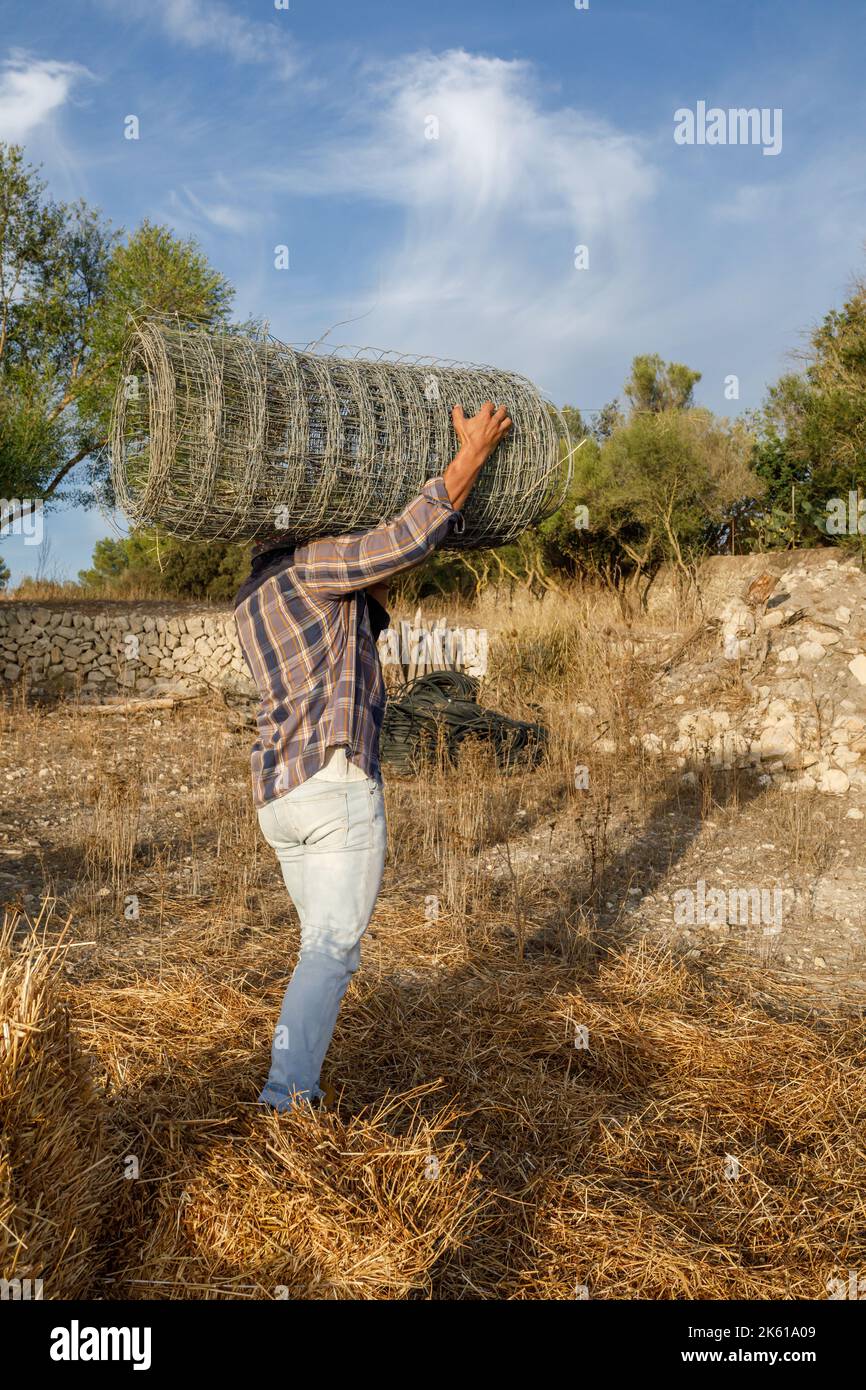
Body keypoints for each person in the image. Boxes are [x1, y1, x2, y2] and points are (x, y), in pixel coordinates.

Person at [233, 401, 512, 1111]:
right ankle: (286, 1099)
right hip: (332, 784)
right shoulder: (313, 564)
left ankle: (292, 1083)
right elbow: (406, 537)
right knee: (332, 947)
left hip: (278, 794)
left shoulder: (252, 595)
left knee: (316, 946)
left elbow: (362, 604)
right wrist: (471, 453)